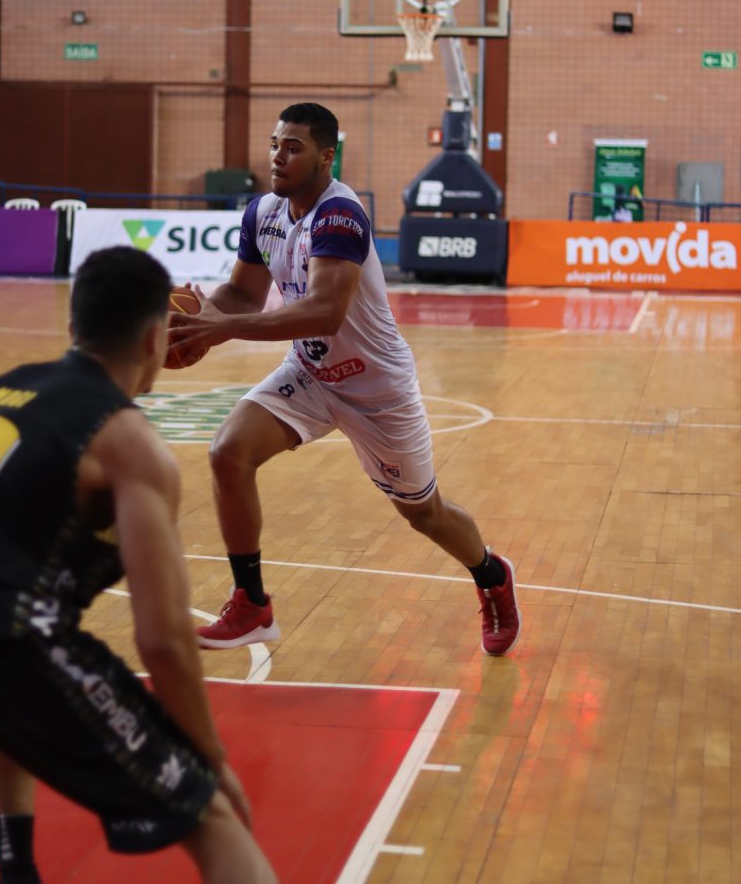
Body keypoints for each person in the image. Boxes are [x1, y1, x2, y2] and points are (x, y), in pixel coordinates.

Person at [168, 102, 520, 659]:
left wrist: (222, 328)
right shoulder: (262, 213)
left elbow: (324, 312)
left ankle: (491, 575)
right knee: (228, 452)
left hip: (377, 389)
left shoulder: (340, 215)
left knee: (423, 513)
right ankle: (252, 605)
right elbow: (243, 294)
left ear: (326, 157)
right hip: (310, 373)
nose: (278, 156)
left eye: (294, 148)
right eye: (275, 145)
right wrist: (203, 319)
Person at [0, 247, 277, 884]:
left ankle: (15, 866)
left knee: (1, 680)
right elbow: (162, 638)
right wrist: (209, 758)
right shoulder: (130, 444)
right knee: (212, 816)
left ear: (72, 327)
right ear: (154, 339)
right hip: (6, 641)